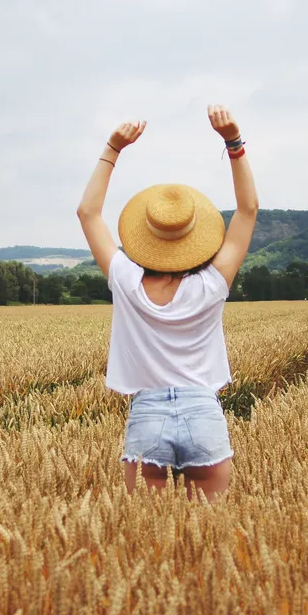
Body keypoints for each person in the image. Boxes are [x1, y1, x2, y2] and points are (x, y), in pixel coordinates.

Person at [76, 104, 258, 500]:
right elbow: (247, 212)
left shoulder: (125, 280)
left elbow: (88, 213)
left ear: (144, 236)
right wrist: (233, 143)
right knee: (209, 539)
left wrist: (113, 147)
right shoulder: (212, 284)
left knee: (147, 542)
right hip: (203, 413)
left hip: (147, 416)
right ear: (197, 240)